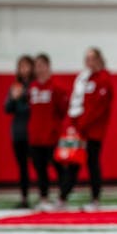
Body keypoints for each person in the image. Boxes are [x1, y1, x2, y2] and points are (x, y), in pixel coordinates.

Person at [60, 47, 114, 211]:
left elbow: (98, 109)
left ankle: (95, 199)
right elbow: (78, 104)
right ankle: (62, 198)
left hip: (93, 132)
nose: (88, 61)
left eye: (91, 58)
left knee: (92, 164)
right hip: (80, 131)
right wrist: (74, 125)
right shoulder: (84, 78)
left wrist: (83, 125)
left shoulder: (104, 79)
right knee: (73, 164)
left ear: (99, 59)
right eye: (87, 58)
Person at [28, 53, 68, 211]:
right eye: (36, 65)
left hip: (52, 136)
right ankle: (43, 198)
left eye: (41, 65)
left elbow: (63, 110)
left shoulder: (56, 87)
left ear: (47, 66)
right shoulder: (32, 87)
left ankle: (62, 197)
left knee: (59, 168)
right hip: (35, 136)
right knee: (40, 169)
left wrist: (54, 128)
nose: (38, 69)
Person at [4, 55, 34, 208]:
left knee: (40, 163)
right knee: (22, 166)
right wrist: (14, 99)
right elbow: (7, 108)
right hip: (19, 131)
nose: (24, 70)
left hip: (34, 131)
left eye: (26, 66)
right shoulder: (15, 86)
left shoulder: (35, 86)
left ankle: (45, 195)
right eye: (21, 66)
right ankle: (24, 197)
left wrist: (25, 97)